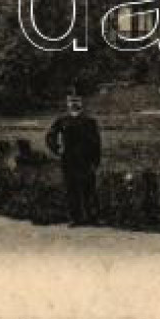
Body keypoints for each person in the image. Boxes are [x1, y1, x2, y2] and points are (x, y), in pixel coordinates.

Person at [46, 93, 102, 224]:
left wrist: (96, 161)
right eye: (71, 101)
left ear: (82, 103)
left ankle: (92, 217)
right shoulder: (62, 121)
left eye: (77, 101)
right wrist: (57, 149)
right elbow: (50, 137)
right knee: (71, 189)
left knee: (89, 189)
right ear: (67, 103)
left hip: (86, 160)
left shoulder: (90, 122)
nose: (74, 104)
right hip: (68, 160)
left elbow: (96, 143)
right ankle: (75, 218)